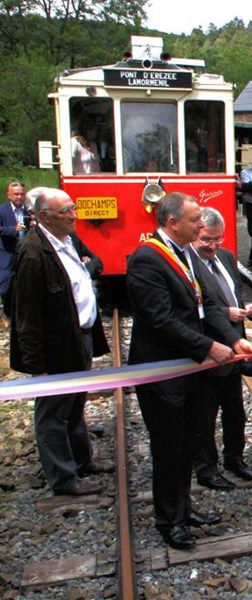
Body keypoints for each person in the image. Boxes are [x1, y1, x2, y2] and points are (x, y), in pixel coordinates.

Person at [127, 192, 252, 550]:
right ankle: (170, 521)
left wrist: (232, 340)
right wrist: (207, 347)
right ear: (172, 223)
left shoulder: (186, 254)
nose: (202, 225)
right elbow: (161, 319)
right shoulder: (148, 259)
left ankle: (184, 508)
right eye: (195, 220)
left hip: (191, 370)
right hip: (164, 374)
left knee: (188, 443)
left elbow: (210, 304)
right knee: (169, 448)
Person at [10, 187, 111, 496]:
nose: (74, 215)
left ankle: (81, 461)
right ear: (43, 217)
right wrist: (37, 366)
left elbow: (93, 264)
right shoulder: (33, 252)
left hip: (77, 337)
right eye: (66, 211)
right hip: (55, 347)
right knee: (53, 411)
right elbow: (27, 316)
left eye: (73, 208)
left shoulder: (65, 239)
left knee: (75, 402)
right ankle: (64, 479)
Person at [190, 208, 252, 489]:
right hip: (208, 351)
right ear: (195, 236)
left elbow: (236, 293)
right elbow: (197, 308)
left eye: (218, 239)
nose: (213, 246)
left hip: (234, 349)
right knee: (205, 413)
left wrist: (246, 309)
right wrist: (225, 315)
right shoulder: (188, 264)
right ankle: (206, 468)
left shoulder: (227, 258)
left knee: (234, 410)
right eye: (207, 240)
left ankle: (235, 458)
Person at [0, 181, 29, 323]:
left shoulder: (29, 211)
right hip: (8, 252)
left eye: (22, 194)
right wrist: (13, 229)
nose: (19, 197)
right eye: (16, 194)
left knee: (25, 284)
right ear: (9, 195)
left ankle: (21, 315)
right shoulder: (2, 210)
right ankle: (6, 313)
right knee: (6, 287)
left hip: (25, 252)